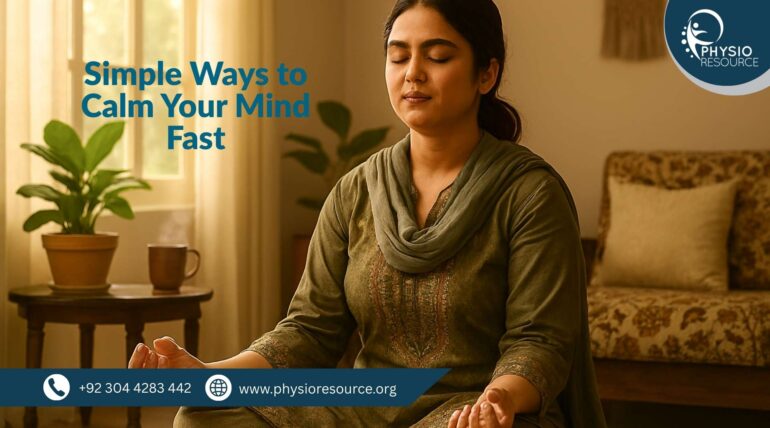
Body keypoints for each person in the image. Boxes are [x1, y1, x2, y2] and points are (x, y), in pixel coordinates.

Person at [129, 1, 607, 427]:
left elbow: (539, 341)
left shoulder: (528, 194)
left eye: (437, 56)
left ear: (487, 74)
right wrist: (210, 377)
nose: (412, 73)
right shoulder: (356, 191)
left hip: (469, 409)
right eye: (399, 56)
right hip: (362, 406)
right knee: (204, 416)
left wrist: (496, 401)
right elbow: (310, 331)